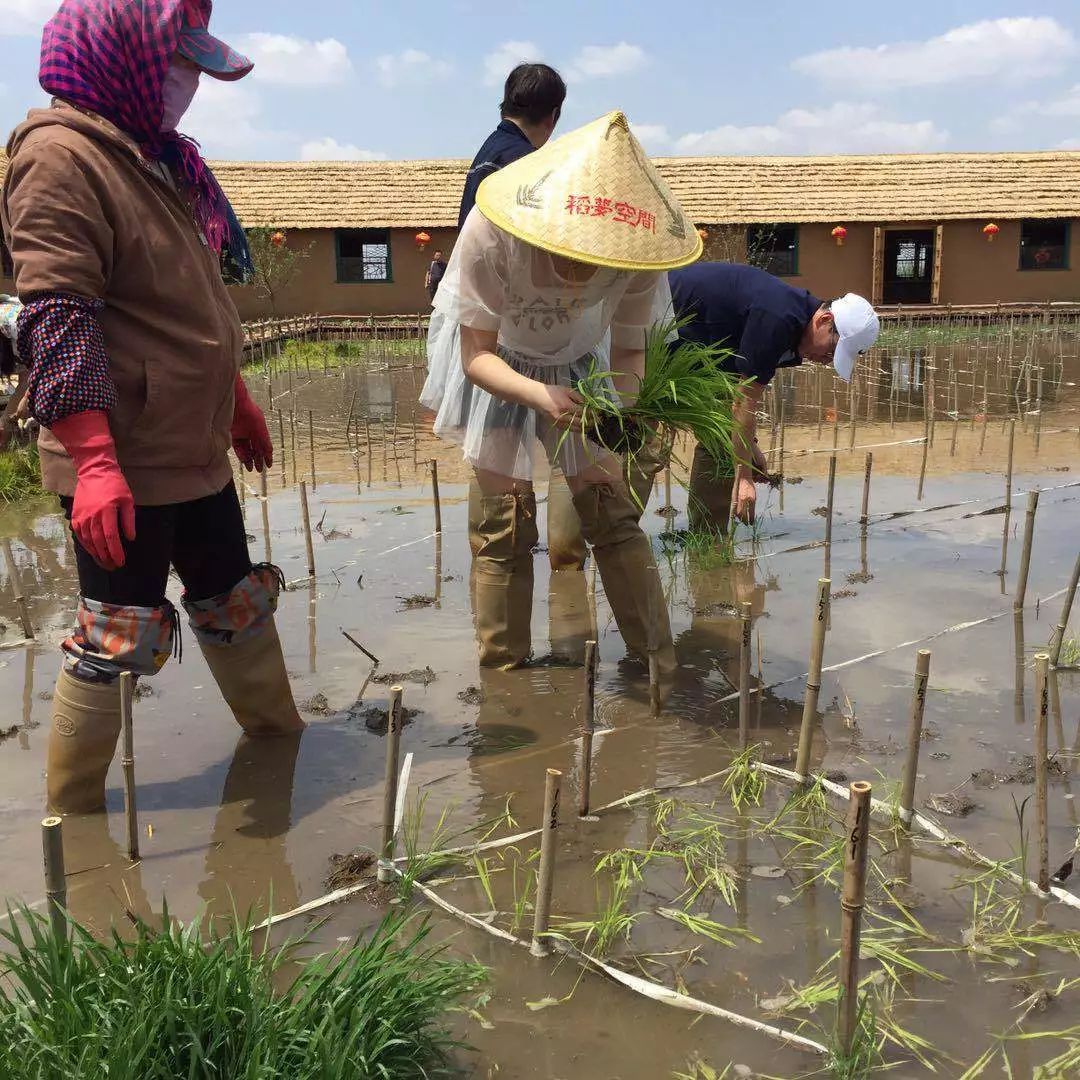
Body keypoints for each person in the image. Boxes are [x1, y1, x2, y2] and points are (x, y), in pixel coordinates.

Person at [1, 0, 303, 816]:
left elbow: (186, 307)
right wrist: (95, 464)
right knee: (115, 636)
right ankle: (74, 821)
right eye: (178, 64)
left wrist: (235, 400)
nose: (188, 85)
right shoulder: (60, 157)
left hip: (191, 443)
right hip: (124, 459)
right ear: (120, 53)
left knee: (233, 601)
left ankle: (279, 744)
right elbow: (58, 318)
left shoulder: (156, 157)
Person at [421, 110, 702, 679]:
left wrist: (613, 419)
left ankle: (657, 665)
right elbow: (476, 356)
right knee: (504, 521)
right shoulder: (492, 230)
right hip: (500, 364)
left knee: (610, 506)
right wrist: (541, 397)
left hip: (579, 370)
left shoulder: (639, 255)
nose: (586, 267)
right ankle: (505, 676)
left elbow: (627, 354)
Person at [457, 62, 590, 572]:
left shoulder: (486, 155)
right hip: (509, 333)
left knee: (502, 481)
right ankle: (564, 567)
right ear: (553, 115)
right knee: (544, 466)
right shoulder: (524, 167)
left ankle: (501, 650)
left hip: (481, 324)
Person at [670, 262, 880, 529]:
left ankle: (707, 538)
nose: (826, 361)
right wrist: (744, 474)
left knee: (722, 441)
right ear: (825, 321)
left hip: (701, 354)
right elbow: (743, 401)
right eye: (831, 351)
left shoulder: (795, 327)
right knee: (642, 446)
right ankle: (618, 535)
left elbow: (734, 390)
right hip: (657, 334)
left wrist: (749, 447)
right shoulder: (778, 318)